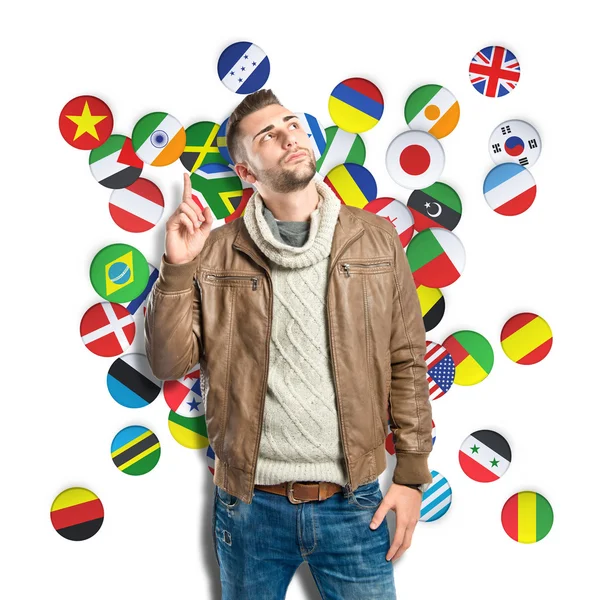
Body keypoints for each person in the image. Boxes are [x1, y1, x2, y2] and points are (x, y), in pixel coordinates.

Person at [145, 88, 433, 599]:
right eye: (268, 136)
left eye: (293, 125)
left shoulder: (375, 238)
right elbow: (170, 363)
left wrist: (410, 477)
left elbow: (408, 360)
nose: (289, 138)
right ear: (246, 172)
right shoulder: (216, 252)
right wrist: (179, 266)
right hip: (250, 508)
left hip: (356, 502)